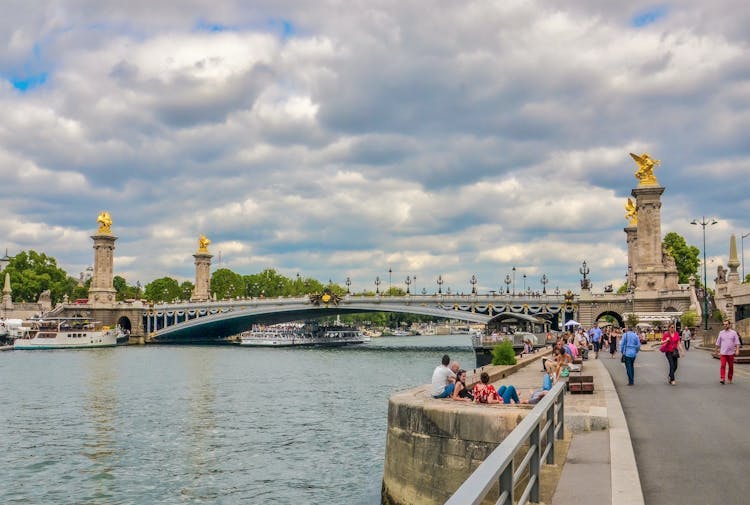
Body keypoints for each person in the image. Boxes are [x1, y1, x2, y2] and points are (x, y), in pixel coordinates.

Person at [715, 320, 741, 384]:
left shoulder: (734, 333)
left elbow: (737, 343)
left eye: (726, 324)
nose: (725, 325)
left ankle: (730, 378)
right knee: (723, 365)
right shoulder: (721, 333)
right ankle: (722, 378)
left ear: (729, 325)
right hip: (723, 353)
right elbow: (717, 343)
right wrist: (716, 351)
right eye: (724, 324)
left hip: (731, 353)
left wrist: (737, 350)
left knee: (731, 367)